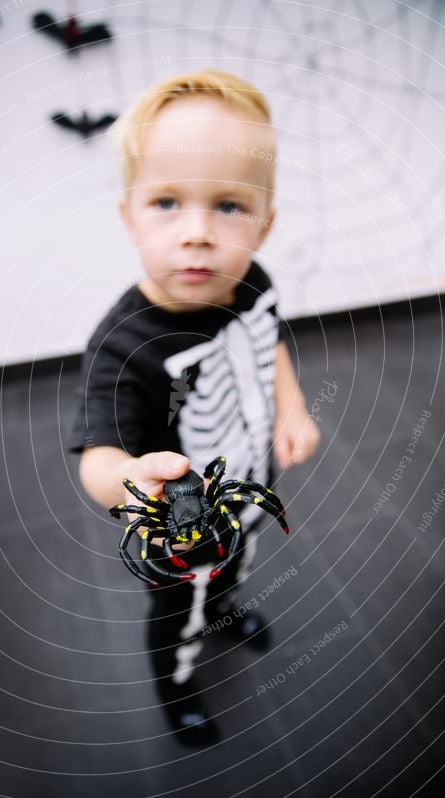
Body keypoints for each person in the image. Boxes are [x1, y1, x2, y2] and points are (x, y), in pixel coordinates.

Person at [68, 69, 320, 745]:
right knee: (176, 609)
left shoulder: (252, 283)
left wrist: (290, 409)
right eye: (168, 202)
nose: (199, 233)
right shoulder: (123, 348)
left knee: (238, 561)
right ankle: (175, 686)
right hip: (180, 529)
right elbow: (97, 456)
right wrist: (132, 480)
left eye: (229, 207)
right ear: (128, 215)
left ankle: (228, 606)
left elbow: (267, 343)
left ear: (265, 225)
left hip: (249, 480)